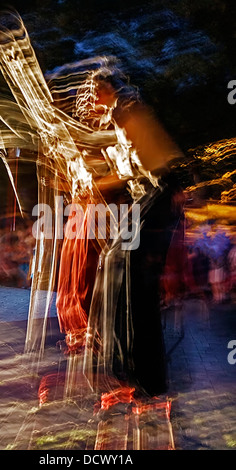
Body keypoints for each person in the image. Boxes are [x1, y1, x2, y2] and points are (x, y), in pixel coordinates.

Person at [83, 69, 186, 396]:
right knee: (114, 262)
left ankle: (143, 373)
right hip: (147, 195)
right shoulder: (120, 115)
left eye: (94, 89)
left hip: (160, 192)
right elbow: (130, 169)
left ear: (108, 87)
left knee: (130, 269)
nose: (91, 97)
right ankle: (124, 365)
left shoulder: (127, 108)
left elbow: (151, 158)